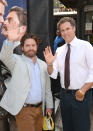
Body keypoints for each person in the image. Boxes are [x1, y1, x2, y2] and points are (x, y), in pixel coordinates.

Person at [43, 17, 93, 131]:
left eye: (67, 29)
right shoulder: (59, 50)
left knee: (81, 128)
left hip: (82, 95)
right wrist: (50, 64)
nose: (65, 33)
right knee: (67, 128)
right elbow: (53, 74)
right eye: (62, 30)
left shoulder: (86, 46)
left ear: (74, 28)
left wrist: (83, 91)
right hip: (65, 96)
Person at [0, 30, 53, 131]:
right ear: (22, 47)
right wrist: (11, 39)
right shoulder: (16, 60)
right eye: (27, 45)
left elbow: (47, 89)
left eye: (33, 45)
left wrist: (49, 107)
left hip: (40, 109)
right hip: (24, 110)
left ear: (37, 47)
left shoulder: (43, 65)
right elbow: (4, 56)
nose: (31, 48)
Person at [0, 6, 27, 131]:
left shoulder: (25, 53)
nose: (4, 22)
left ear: (22, 28)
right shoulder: (8, 48)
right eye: (5, 19)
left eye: (10, 20)